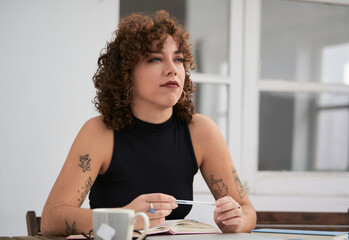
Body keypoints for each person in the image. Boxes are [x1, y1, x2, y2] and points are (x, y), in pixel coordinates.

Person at [41, 10, 256, 236]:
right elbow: (51, 219)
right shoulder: (99, 132)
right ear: (126, 73)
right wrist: (127, 218)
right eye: (155, 58)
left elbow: (247, 210)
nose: (172, 68)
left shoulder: (201, 131)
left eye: (179, 59)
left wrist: (236, 220)